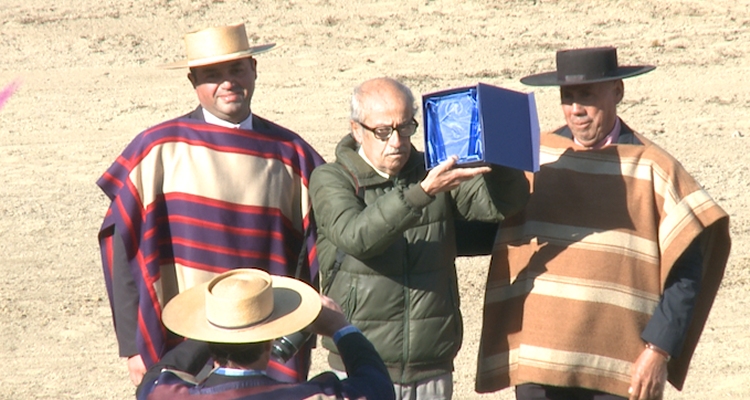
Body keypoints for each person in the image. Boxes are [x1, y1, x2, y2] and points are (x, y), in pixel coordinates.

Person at [475, 47, 731, 400]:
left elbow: (686, 275)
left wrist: (658, 351)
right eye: (568, 97)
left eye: (587, 96)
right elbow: (487, 217)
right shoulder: (536, 157)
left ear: (618, 92)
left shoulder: (653, 168)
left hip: (618, 366)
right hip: (538, 358)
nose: (576, 109)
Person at [96, 23, 324, 387]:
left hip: (268, 340)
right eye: (212, 75)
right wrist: (131, 346)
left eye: (236, 70)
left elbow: (327, 245)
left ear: (254, 69)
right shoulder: (157, 150)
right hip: (181, 345)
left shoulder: (292, 153)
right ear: (192, 82)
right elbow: (119, 246)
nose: (228, 82)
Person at [309, 77, 530, 399]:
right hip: (360, 365)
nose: (397, 141)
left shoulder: (433, 169)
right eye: (383, 131)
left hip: (432, 366)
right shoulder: (332, 178)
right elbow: (357, 236)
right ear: (356, 130)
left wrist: (499, 156)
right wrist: (422, 192)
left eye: (406, 128)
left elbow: (502, 205)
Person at [136, 268, 395, 400]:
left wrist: (221, 322)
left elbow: (156, 376)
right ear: (271, 341)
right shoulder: (312, 396)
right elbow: (378, 388)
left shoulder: (165, 394)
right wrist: (340, 327)